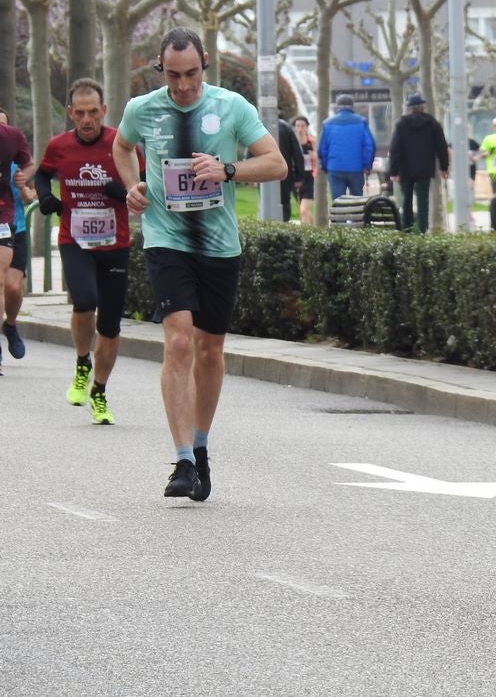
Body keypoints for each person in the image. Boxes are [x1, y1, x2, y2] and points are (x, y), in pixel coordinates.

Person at [113, 27, 287, 498]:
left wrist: (227, 169)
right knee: (179, 342)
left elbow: (276, 163)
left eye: (191, 73)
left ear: (204, 63)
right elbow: (122, 146)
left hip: (219, 245)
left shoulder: (232, 107)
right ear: (160, 68)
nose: (184, 84)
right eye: (174, 74)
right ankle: (182, 460)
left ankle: (202, 447)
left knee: (210, 350)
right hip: (165, 240)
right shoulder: (142, 108)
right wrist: (132, 185)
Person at [34, 79, 134, 424]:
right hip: (74, 240)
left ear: (104, 111)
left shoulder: (121, 143)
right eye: (81, 113)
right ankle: (81, 362)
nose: (87, 119)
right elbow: (42, 176)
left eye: (94, 112)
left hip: (115, 244)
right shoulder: (58, 146)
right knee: (85, 300)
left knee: (109, 325)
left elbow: (143, 188)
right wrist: (46, 197)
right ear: (71, 113)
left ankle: (99, 392)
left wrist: (119, 191)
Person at [0, 111, 33, 376]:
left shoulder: (14, 161)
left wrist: (22, 186)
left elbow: (30, 196)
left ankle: (10, 325)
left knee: (12, 286)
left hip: (16, 229)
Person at [389, 93, 450, 233]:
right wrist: (444, 167)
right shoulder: (433, 123)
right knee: (423, 200)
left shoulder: (401, 124)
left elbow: (395, 149)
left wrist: (394, 171)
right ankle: (422, 229)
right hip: (425, 167)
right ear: (423, 107)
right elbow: (441, 146)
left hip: (406, 168)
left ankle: (407, 229)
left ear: (409, 108)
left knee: (406, 200)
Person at [318, 94, 374, 199]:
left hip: (334, 168)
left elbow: (322, 149)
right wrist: (367, 166)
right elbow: (369, 146)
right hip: (356, 169)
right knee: (357, 202)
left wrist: (325, 166)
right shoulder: (361, 122)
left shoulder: (327, 123)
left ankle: (339, 215)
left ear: (337, 106)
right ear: (352, 106)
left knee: (338, 202)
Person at [276, 118, 306, 222]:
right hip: (284, 171)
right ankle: (284, 225)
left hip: (263, 172)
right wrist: (299, 177)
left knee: (265, 200)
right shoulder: (286, 127)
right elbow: (297, 154)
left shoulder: (259, 124)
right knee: (284, 201)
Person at [292, 115, 317, 225]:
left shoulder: (312, 141)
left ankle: (307, 235)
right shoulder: (292, 142)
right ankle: (316, 230)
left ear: (307, 127)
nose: (300, 129)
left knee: (304, 210)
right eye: (297, 126)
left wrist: (313, 155)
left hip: (309, 177)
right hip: (296, 178)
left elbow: (318, 156)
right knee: (303, 212)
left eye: (302, 126)